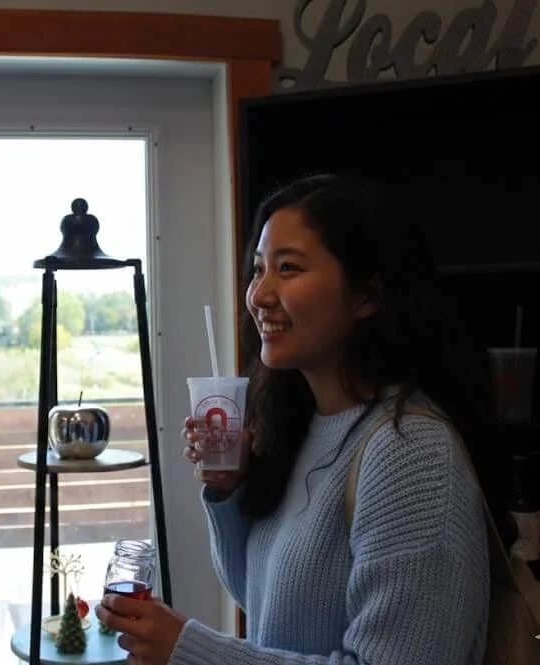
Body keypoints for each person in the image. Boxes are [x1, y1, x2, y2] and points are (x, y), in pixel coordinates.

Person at [95, 174, 516, 664]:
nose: (259, 295)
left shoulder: (411, 450)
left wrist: (187, 650)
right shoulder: (303, 428)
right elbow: (264, 602)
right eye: (258, 270)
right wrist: (232, 492)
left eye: (288, 268)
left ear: (368, 297)